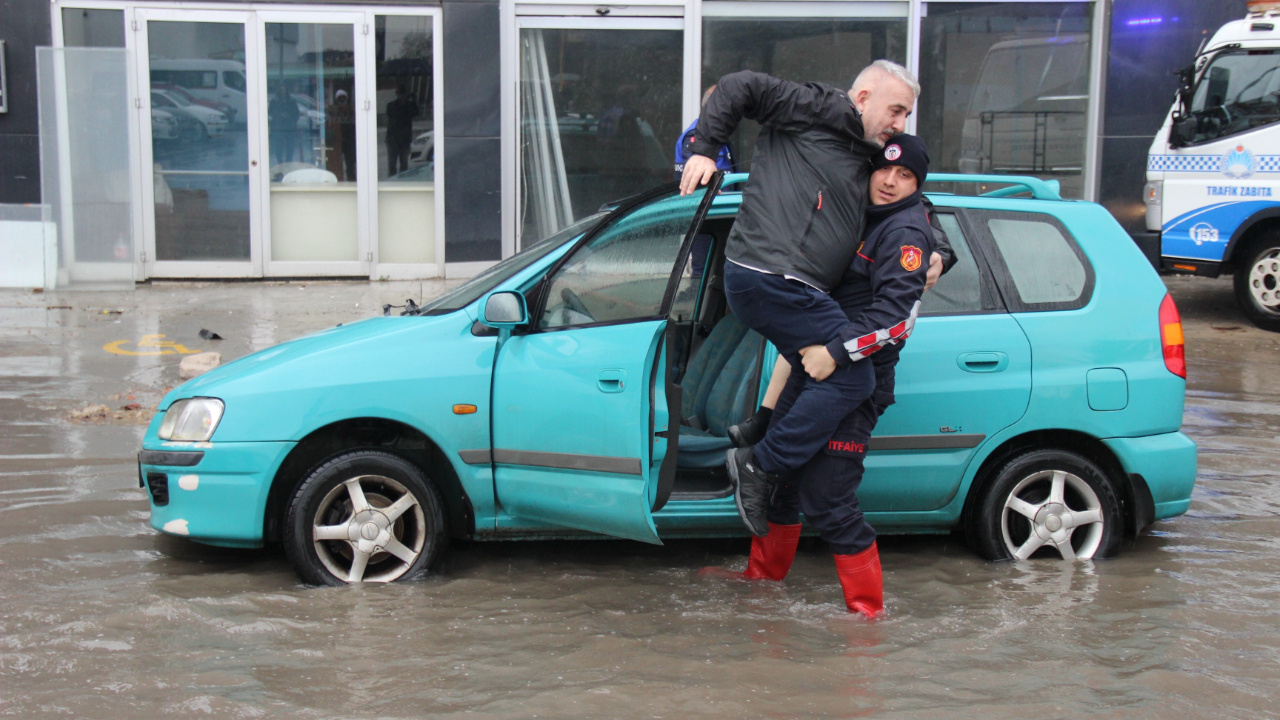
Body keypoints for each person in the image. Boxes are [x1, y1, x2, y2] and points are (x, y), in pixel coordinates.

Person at [679, 61, 919, 539]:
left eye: (906, 115)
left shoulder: (869, 153)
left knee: (820, 369)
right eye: (896, 110)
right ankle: (759, 465)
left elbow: (911, 200)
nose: (900, 123)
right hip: (773, 274)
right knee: (854, 381)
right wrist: (704, 149)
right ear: (864, 96)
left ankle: (759, 436)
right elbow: (737, 85)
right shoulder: (815, 108)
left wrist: (941, 255)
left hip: (795, 285)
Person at [702, 134, 938, 618]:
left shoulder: (906, 233)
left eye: (905, 176)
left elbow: (896, 321)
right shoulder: (859, 212)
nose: (891, 182)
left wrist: (835, 351)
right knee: (784, 487)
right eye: (884, 170)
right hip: (816, 369)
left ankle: (868, 617)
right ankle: (762, 585)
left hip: (855, 379)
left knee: (828, 497)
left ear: (917, 185)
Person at [675, 86, 736, 278]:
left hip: (719, 214)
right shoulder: (698, 136)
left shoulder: (713, 135)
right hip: (706, 216)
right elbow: (701, 181)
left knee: (717, 270)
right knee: (704, 272)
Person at [385, 85, 418, 176]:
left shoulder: (409, 105)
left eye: (403, 93)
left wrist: (413, 101)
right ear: (397, 94)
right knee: (392, 164)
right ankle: (392, 182)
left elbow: (415, 113)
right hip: (393, 139)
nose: (402, 95)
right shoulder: (391, 106)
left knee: (404, 164)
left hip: (405, 139)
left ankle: (402, 182)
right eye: (400, 93)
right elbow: (395, 116)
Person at [268, 83, 300, 166]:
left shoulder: (291, 101)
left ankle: (288, 162)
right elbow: (270, 112)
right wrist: (279, 115)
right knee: (278, 146)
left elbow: (296, 113)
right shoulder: (274, 101)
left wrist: (291, 119)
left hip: (289, 128)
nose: (283, 92)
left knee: (290, 147)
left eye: (284, 90)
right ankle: (280, 162)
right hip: (278, 127)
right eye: (281, 91)